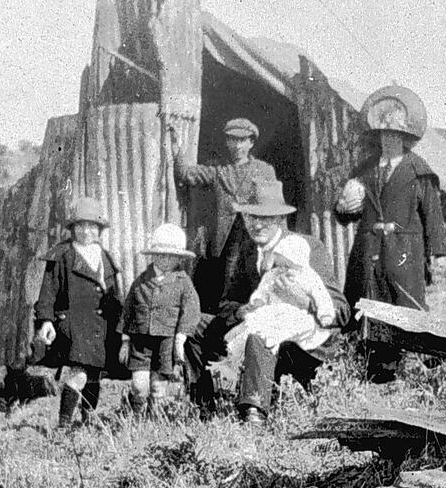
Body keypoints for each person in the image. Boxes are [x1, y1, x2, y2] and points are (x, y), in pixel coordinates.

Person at [184, 181, 348, 423]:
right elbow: (226, 304)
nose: (257, 224)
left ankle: (253, 413)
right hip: (253, 328)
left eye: (266, 217)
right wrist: (242, 310)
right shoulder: (243, 252)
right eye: (251, 216)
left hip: (302, 345)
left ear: (281, 218)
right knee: (193, 326)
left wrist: (304, 301)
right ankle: (205, 410)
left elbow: (341, 311)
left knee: (261, 333)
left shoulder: (306, 247)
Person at [334, 85, 446, 379]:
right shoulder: (366, 170)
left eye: (395, 135)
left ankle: (410, 366)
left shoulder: (418, 171)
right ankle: (369, 366)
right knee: (366, 299)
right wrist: (343, 206)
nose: (389, 141)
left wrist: (438, 255)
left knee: (404, 306)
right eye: (384, 135)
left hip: (403, 253)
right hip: (369, 248)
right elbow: (346, 211)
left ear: (406, 138)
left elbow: (433, 217)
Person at [34, 197, 124, 429]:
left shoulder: (105, 257)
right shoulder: (63, 255)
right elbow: (48, 292)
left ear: (99, 230)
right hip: (73, 324)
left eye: (92, 226)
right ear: (72, 228)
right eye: (81, 226)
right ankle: (64, 425)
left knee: (94, 376)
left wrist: (122, 326)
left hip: (101, 325)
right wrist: (46, 321)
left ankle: (88, 421)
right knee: (80, 374)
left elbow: (116, 295)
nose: (86, 231)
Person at [171, 117, 278, 308]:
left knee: (257, 284)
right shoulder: (218, 170)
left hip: (255, 239)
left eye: (242, 140)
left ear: (251, 142)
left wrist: (277, 243)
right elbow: (186, 174)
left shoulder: (264, 171)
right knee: (227, 286)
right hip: (226, 243)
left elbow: (276, 208)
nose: (237, 146)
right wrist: (177, 148)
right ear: (227, 141)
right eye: (232, 140)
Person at [122, 222, 201, 415]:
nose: (165, 259)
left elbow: (191, 310)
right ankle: (135, 414)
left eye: (171, 256)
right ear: (153, 255)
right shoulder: (141, 281)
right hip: (141, 340)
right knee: (140, 386)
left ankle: (154, 420)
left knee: (159, 386)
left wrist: (181, 337)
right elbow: (128, 310)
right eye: (160, 254)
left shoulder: (183, 282)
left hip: (166, 342)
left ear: (179, 258)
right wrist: (125, 341)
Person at [226, 233, 336, 357]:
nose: (283, 270)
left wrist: (325, 314)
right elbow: (263, 289)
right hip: (273, 311)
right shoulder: (273, 275)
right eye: (280, 265)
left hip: (296, 314)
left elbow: (321, 295)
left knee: (297, 326)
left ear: (300, 264)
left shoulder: (308, 277)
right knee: (253, 322)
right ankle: (235, 352)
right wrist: (258, 300)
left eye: (288, 266)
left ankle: (269, 346)